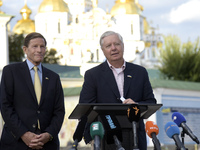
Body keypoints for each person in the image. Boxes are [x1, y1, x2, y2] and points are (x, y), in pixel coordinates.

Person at [79, 31, 157, 150]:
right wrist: (90, 138)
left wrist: (136, 105)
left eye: (117, 44)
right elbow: (85, 109)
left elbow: (151, 102)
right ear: (103, 50)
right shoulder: (93, 75)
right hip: (105, 137)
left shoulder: (140, 72)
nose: (113, 48)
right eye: (108, 46)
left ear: (123, 46)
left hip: (135, 136)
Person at [0, 32, 65, 150]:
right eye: (35, 46)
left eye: (42, 46)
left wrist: (49, 134)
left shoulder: (54, 77)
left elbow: (59, 111)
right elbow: (5, 106)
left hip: (47, 145)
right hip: (16, 143)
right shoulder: (11, 72)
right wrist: (24, 134)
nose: (39, 50)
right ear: (25, 49)